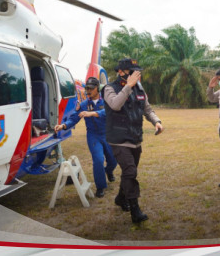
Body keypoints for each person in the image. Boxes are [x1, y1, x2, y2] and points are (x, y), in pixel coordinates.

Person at [102, 58, 164, 224]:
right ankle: (135, 209)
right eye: (132, 71)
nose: (136, 74)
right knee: (130, 172)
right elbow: (115, 104)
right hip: (119, 139)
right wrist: (128, 86)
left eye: (137, 71)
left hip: (136, 138)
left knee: (129, 172)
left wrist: (157, 122)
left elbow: (147, 109)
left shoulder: (139, 89)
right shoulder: (109, 88)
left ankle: (120, 198)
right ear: (121, 72)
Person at [54, 77, 117, 198]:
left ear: (97, 89)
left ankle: (108, 170)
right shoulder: (83, 105)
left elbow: (109, 113)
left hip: (108, 133)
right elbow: (74, 118)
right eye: (86, 88)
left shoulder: (106, 101)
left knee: (113, 160)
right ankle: (100, 187)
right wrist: (63, 125)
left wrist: (93, 113)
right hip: (93, 136)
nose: (88, 91)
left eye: (91, 89)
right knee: (98, 160)